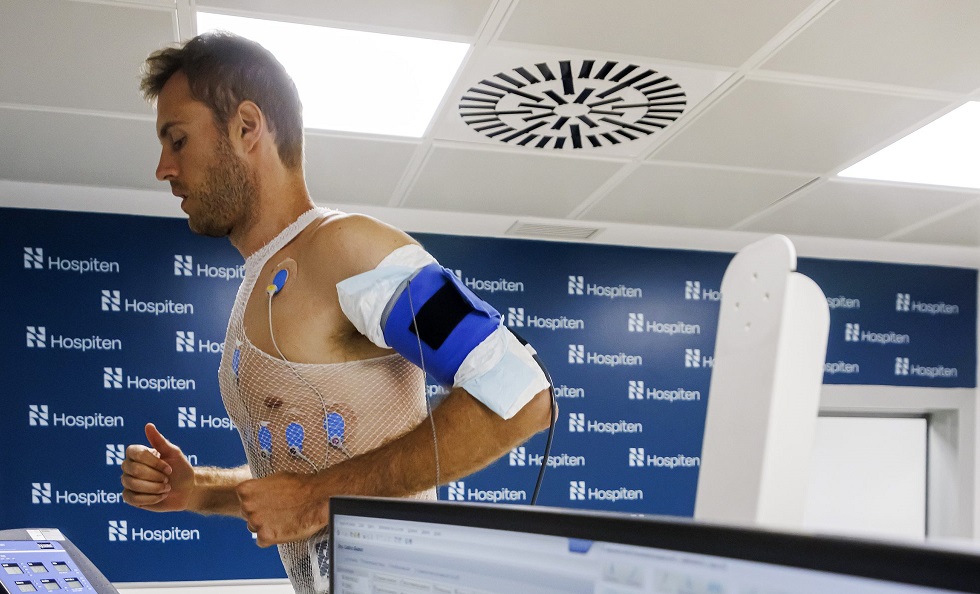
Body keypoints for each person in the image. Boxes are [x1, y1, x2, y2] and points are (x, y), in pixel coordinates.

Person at [119, 31, 553, 593]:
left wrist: (314, 498)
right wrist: (198, 490)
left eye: (177, 140)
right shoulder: (256, 286)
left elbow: (521, 392)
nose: (163, 168)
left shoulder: (348, 249)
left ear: (247, 127)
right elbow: (309, 466)